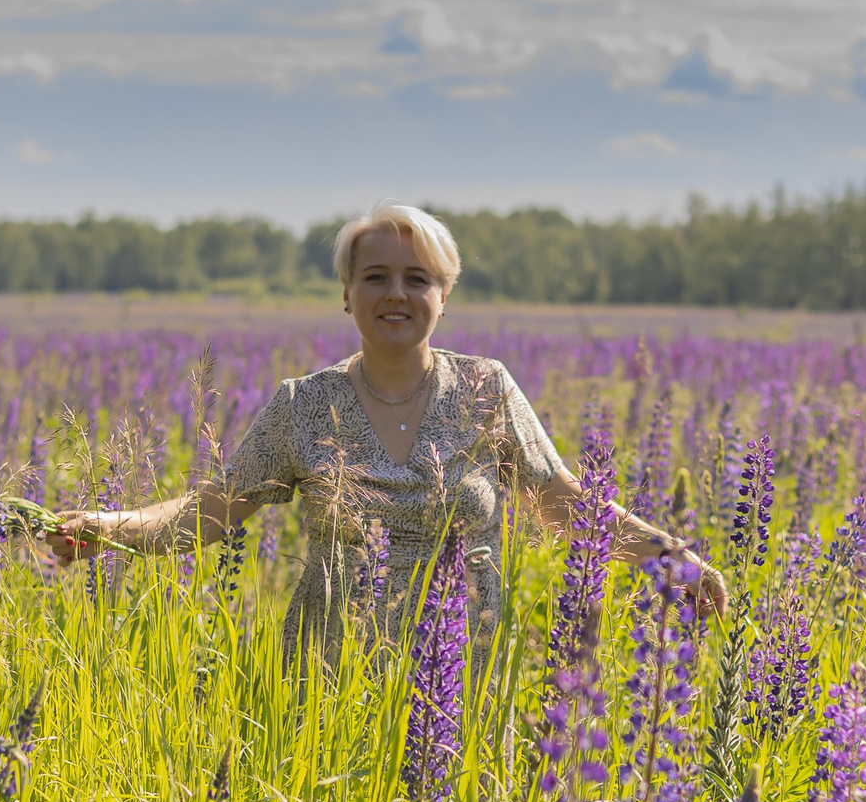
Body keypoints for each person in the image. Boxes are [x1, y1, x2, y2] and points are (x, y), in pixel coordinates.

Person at [47, 202, 727, 658]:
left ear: (444, 294)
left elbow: (562, 501)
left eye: (417, 278)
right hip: (328, 676)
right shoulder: (303, 404)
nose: (396, 293)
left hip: (461, 674)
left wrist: (673, 555)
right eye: (375, 276)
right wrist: (109, 527)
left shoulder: (487, 389)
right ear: (346, 292)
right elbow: (211, 514)